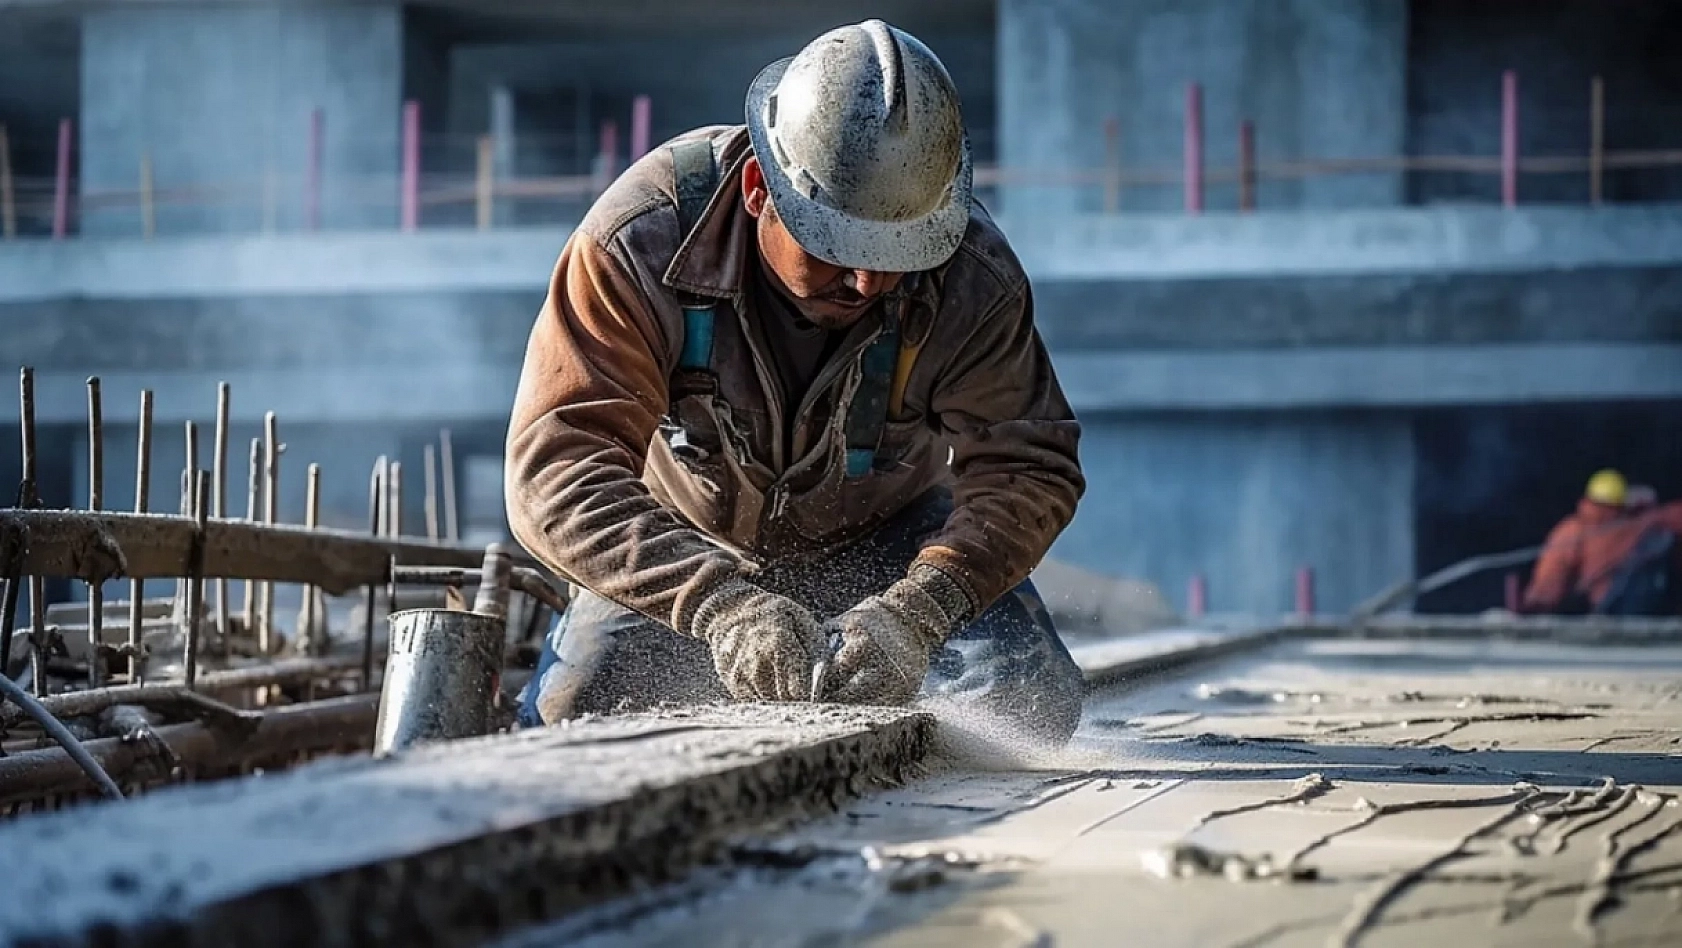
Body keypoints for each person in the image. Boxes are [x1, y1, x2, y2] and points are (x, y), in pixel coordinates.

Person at [504, 20, 1086, 744]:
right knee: (573, 717)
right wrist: (716, 603)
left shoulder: (972, 275)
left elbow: (1028, 465)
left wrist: (924, 608)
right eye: (839, 245)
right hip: (687, 544)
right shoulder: (640, 241)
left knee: (1027, 702)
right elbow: (557, 468)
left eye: (898, 251)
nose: (869, 279)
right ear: (758, 189)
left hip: (892, 540)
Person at [1522, 469, 1682, 617]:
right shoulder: (1635, 524)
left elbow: (1550, 576)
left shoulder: (1572, 529)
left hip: (1604, 606)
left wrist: (1536, 604)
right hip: (1615, 606)